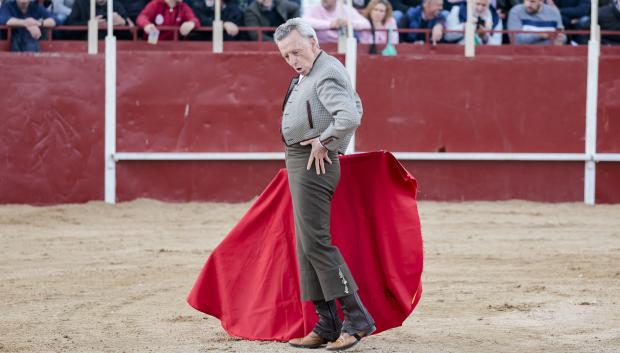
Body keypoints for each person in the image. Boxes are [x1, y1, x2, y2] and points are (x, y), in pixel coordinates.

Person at [274, 17, 375, 352]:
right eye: (286, 56)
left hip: (314, 162)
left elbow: (349, 115)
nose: (293, 61)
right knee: (307, 245)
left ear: (314, 42)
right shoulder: (311, 73)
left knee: (316, 242)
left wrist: (327, 142)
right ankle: (327, 323)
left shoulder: (327, 69)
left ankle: (357, 319)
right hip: (300, 161)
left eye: (297, 52)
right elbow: (356, 102)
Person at [303, 0, 370, 43]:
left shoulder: (345, 8)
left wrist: (348, 23)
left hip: (343, 46)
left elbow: (366, 24)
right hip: (321, 47)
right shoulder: (315, 8)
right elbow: (303, 21)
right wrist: (330, 24)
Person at [66, 0, 131, 39]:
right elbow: (69, 31)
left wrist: (122, 23)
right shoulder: (80, 3)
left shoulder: (116, 5)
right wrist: (90, 24)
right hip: (85, 45)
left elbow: (129, 36)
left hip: (112, 49)